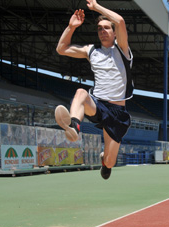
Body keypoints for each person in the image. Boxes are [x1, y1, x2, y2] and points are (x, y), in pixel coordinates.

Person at [55, 0, 133, 180]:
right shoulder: (91, 50)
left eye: (107, 28)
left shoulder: (122, 50)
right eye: (99, 28)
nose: (103, 31)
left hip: (118, 112)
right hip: (98, 104)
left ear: (114, 33)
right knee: (81, 93)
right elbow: (61, 49)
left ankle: (105, 162)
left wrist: (96, 7)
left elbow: (120, 21)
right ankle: (74, 126)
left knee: (110, 161)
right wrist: (71, 27)